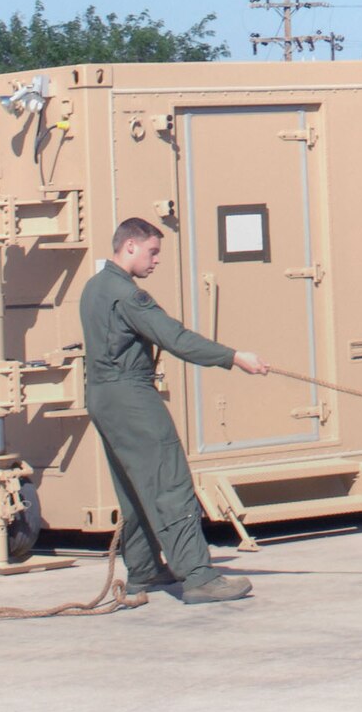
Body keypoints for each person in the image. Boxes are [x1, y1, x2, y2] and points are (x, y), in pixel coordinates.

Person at [81, 216, 270, 605]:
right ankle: (198, 576)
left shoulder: (93, 288)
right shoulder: (128, 295)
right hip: (132, 395)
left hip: (102, 397)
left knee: (134, 488)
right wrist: (233, 357)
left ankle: (145, 570)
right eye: (152, 251)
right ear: (129, 246)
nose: (156, 261)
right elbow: (175, 338)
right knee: (170, 482)